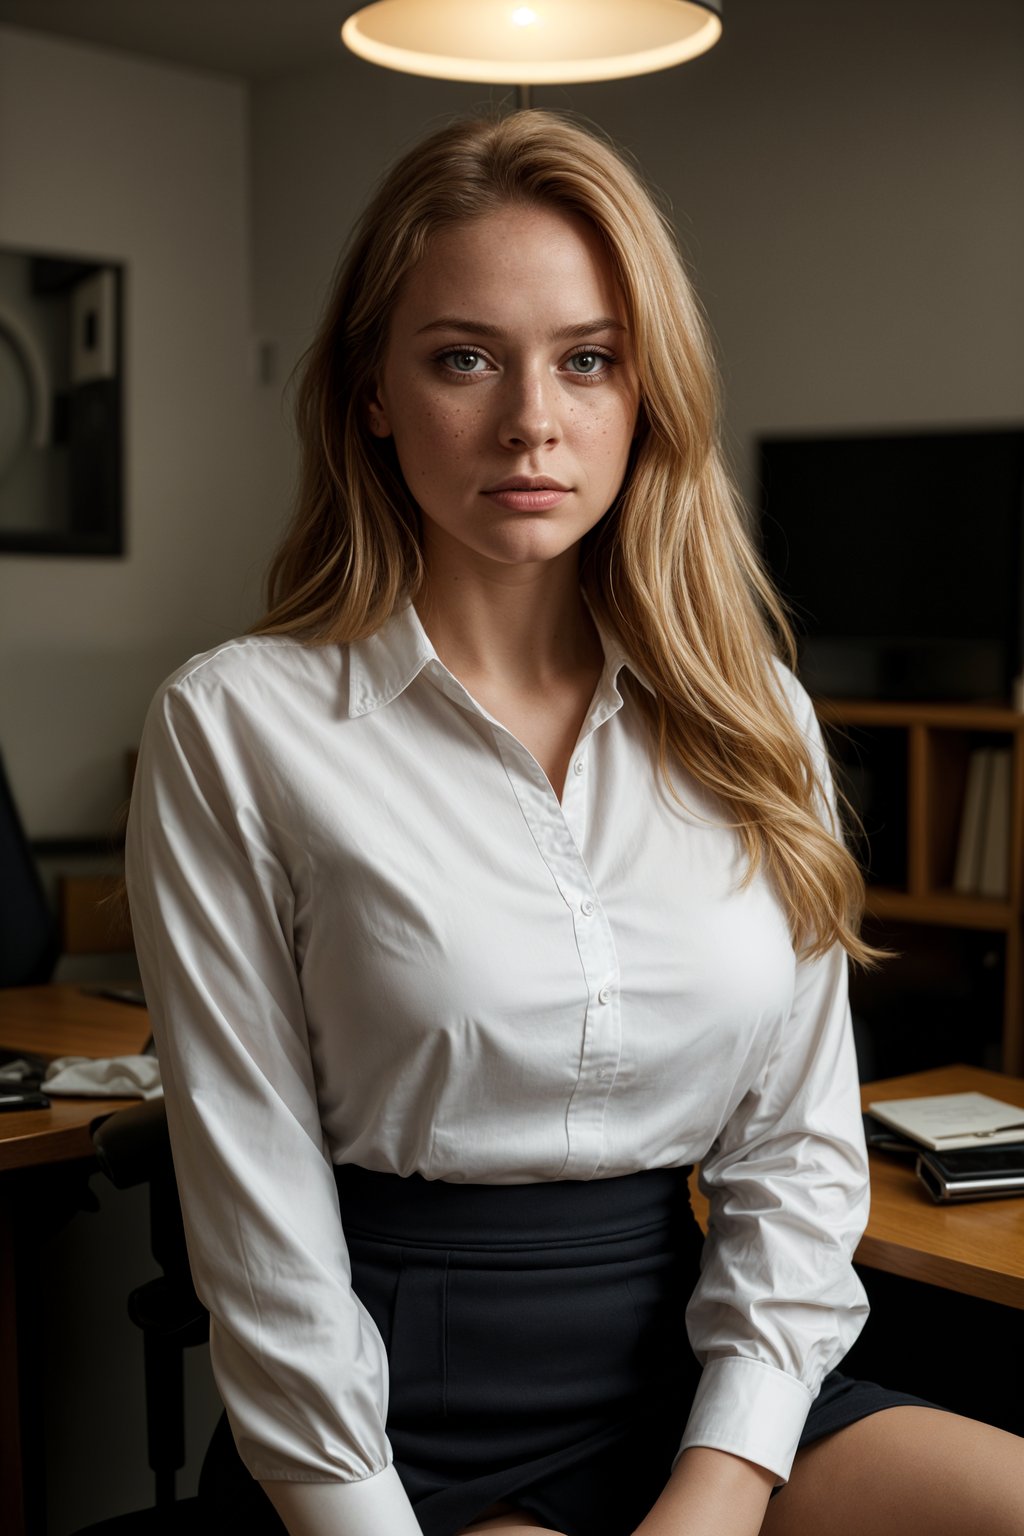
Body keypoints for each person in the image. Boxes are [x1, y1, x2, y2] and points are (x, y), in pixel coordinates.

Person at [124, 110, 1022, 1536]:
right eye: (464, 356)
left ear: (643, 390)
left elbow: (794, 1160)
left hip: (710, 1379)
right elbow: (256, 1229)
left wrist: (716, 1492)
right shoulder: (237, 727)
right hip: (402, 1417)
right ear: (372, 389)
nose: (532, 421)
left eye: (588, 359)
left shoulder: (750, 711)